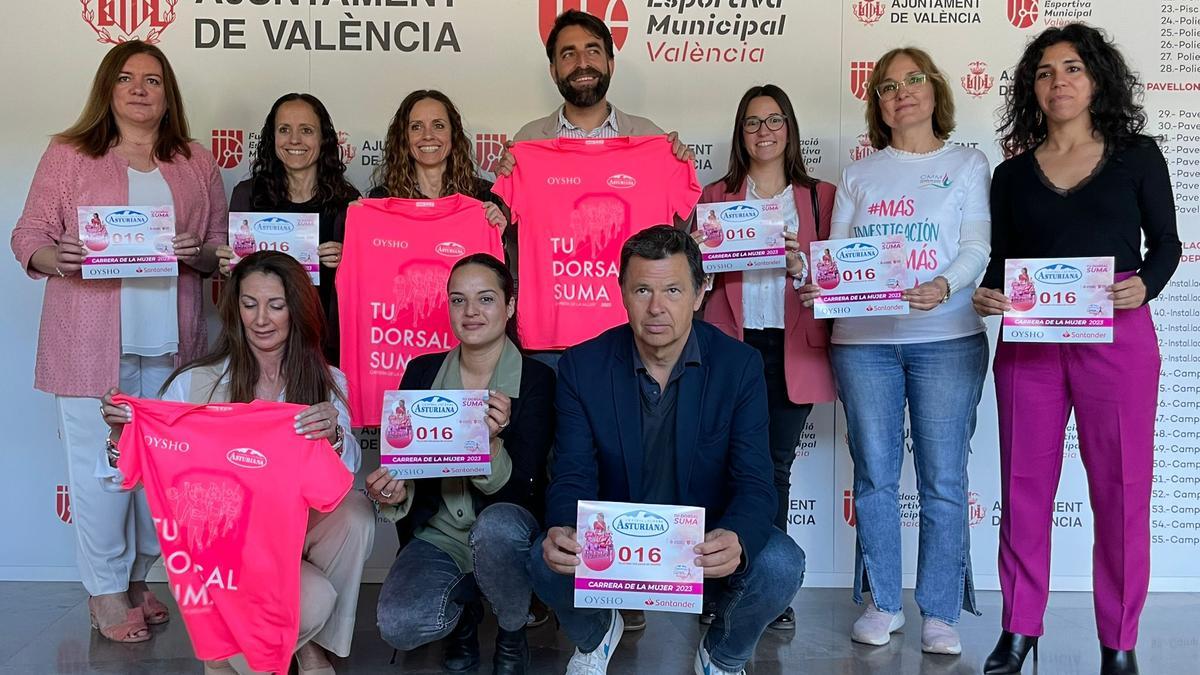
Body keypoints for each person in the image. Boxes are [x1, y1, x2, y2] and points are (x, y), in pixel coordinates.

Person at [975, 24, 1181, 675]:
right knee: (1025, 488)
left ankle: (1118, 639)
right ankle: (1018, 628)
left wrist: (1145, 284)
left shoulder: (1137, 155)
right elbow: (1000, 265)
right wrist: (987, 295)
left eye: (1072, 68)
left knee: (1121, 492)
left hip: (1117, 338)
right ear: (1031, 89)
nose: (1058, 81)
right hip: (1030, 343)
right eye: (1044, 71)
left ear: (1096, 79)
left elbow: (1168, 245)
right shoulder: (1010, 175)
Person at [9, 40, 226, 644]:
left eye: (152, 80)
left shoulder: (195, 163)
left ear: (167, 95)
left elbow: (217, 250)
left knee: (156, 474)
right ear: (108, 88)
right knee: (100, 474)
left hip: (171, 348)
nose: (139, 89)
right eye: (126, 78)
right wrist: (58, 258)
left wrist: (200, 255)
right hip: (88, 344)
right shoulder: (69, 156)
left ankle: (136, 581)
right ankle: (104, 595)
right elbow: (28, 234)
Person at [531, 226, 804, 675]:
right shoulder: (582, 366)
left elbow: (756, 480)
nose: (657, 307)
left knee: (781, 564)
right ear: (622, 292)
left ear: (700, 294)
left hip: (701, 545)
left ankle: (721, 655)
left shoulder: (739, 366)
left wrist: (735, 537)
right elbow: (572, 474)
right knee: (542, 555)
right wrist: (563, 527)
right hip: (615, 546)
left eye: (673, 290)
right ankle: (598, 632)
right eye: (642, 289)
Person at [102, 252, 374, 675]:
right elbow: (145, 475)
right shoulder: (194, 383)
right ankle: (231, 651)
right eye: (250, 304)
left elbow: (344, 475)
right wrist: (122, 435)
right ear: (235, 309)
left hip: (292, 533)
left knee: (356, 515)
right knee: (314, 601)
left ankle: (308, 648)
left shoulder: (328, 381)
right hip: (221, 551)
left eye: (276, 305)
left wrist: (334, 436)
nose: (261, 319)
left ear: (297, 310)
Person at [817, 47, 992, 655]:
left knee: (944, 479)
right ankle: (884, 600)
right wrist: (819, 277)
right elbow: (838, 257)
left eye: (913, 80)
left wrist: (945, 284)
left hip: (947, 338)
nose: (901, 93)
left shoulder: (968, 163)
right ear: (878, 104)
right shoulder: (861, 174)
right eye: (888, 86)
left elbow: (975, 246)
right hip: (863, 343)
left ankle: (940, 611)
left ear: (935, 89)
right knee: (874, 477)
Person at [370, 254, 555, 675]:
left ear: (509, 307)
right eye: (458, 300)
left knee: (497, 527)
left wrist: (489, 444)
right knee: (400, 624)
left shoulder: (538, 380)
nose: (470, 312)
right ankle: (463, 617)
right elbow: (404, 468)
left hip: (506, 533)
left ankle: (511, 629)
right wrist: (392, 490)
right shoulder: (421, 372)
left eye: (485, 299)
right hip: (440, 535)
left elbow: (524, 490)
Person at [697, 84, 836, 631]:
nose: (764, 131)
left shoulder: (821, 196)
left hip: (790, 348)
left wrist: (805, 267)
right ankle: (716, 585)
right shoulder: (714, 196)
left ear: (790, 129)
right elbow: (696, 283)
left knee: (772, 469)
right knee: (717, 465)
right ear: (741, 132)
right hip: (729, 347)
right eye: (753, 122)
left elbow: (838, 282)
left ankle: (764, 588)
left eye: (775, 119)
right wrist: (703, 258)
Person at [216, 93, 360, 364]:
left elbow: (362, 285)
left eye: (306, 130)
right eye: (284, 130)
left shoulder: (347, 202)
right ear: (272, 138)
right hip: (257, 343)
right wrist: (230, 266)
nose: (295, 140)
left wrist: (348, 261)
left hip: (322, 345)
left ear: (323, 139)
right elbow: (237, 284)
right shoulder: (247, 195)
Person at [368, 90, 506, 228]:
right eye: (416, 127)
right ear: (404, 137)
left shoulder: (484, 196)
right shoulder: (382, 199)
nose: (428, 135)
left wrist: (497, 236)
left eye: (438, 126)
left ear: (453, 134)